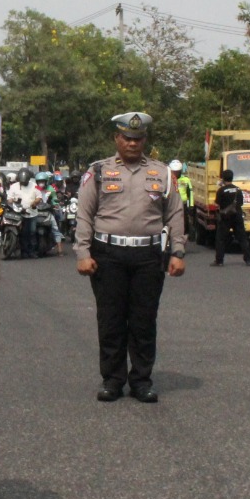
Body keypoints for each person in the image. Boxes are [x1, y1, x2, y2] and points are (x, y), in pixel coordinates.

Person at [74, 111, 186, 403]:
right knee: (110, 319)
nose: (132, 143)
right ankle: (112, 379)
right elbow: (84, 214)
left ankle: (141, 379)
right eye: (127, 137)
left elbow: (174, 213)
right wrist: (83, 252)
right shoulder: (97, 171)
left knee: (143, 320)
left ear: (144, 140)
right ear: (117, 138)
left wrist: (177, 251)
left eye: (138, 138)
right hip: (107, 254)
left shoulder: (162, 173)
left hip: (148, 255)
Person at [212, 168, 250, 266]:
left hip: (225, 217)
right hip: (237, 216)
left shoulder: (221, 190)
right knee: (242, 238)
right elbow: (241, 203)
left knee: (221, 239)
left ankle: (219, 261)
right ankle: (248, 260)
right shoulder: (238, 190)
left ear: (223, 178)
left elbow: (217, 204)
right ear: (232, 178)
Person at [172, 159, 194, 235]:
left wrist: (191, 205)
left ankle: (185, 234)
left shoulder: (186, 180)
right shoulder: (168, 179)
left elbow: (190, 193)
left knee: (184, 220)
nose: (176, 173)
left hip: (183, 204)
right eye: (174, 171)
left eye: (177, 171)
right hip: (171, 205)